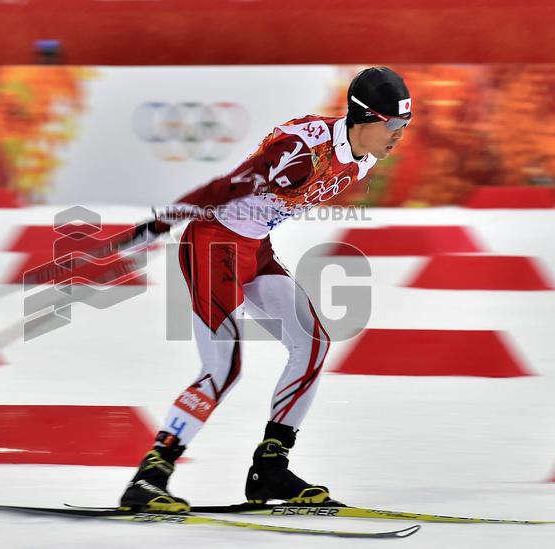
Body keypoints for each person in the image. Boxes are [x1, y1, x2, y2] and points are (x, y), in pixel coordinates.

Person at [118, 67, 412, 512]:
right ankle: (150, 476)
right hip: (213, 243)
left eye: (404, 126)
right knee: (224, 366)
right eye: (392, 125)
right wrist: (164, 219)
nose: (398, 136)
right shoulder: (301, 150)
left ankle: (269, 469)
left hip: (254, 249)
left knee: (312, 342)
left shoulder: (364, 158)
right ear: (364, 118)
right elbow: (229, 185)